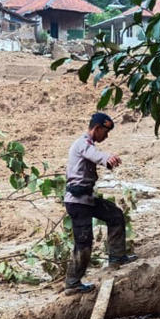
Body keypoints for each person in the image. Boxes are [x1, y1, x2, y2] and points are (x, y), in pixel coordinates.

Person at [63, 112, 137, 294]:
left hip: (86, 199)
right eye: (105, 131)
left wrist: (107, 161)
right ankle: (72, 283)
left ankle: (117, 256)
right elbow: (94, 154)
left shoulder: (87, 144)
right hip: (78, 202)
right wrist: (106, 158)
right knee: (84, 243)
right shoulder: (83, 144)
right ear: (96, 129)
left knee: (115, 215)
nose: (106, 136)